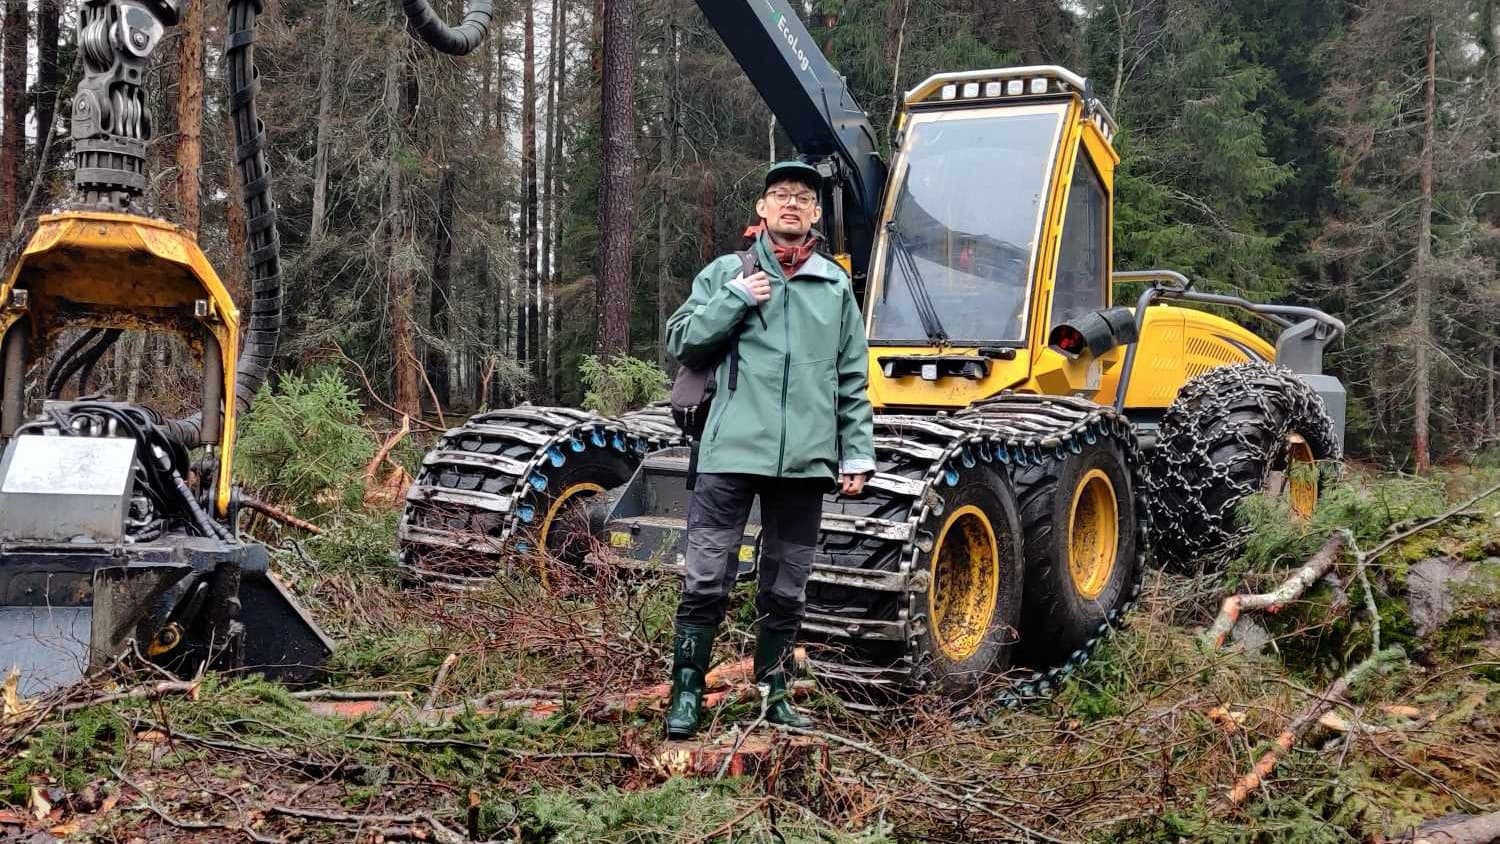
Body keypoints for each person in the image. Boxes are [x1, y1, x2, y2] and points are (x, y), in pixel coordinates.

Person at [662, 160, 876, 739]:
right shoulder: (726, 272)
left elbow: (851, 376)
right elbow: (681, 340)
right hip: (729, 453)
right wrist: (733, 299)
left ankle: (774, 691)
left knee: (787, 585)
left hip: (805, 461)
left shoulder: (833, 286)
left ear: (815, 213)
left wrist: (856, 451)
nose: (791, 203)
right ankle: (687, 693)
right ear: (762, 209)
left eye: (802, 197)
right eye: (780, 194)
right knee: (706, 578)